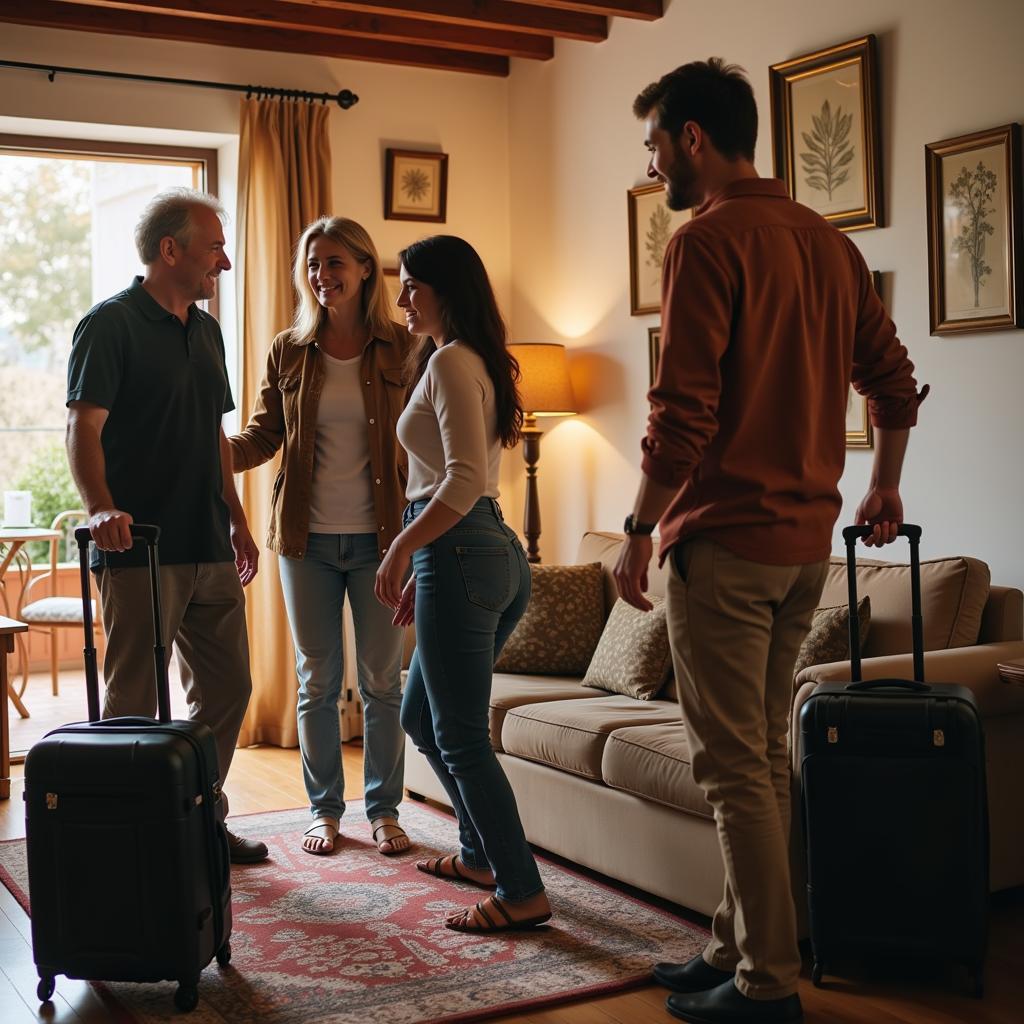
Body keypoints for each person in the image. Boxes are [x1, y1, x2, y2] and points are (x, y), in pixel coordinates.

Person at [613, 60, 927, 1024]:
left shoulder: (706, 239)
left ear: (694, 139)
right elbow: (895, 380)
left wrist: (636, 529)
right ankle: (730, 947)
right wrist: (881, 485)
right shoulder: (827, 244)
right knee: (757, 759)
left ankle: (767, 984)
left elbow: (683, 412)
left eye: (657, 141)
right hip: (805, 552)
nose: (654, 158)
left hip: (727, 546)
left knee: (732, 769)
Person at [66, 187, 268, 864]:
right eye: (215, 247)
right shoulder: (110, 325)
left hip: (209, 542)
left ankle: (192, 813)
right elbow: (82, 427)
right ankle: (130, 837)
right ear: (169, 249)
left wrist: (238, 519)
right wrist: (99, 508)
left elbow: (214, 436)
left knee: (229, 689)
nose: (226, 263)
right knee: (133, 702)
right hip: (139, 548)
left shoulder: (206, 331)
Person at [375, 235, 550, 934]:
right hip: (482, 549)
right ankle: (480, 854)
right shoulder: (465, 358)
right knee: (423, 718)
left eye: (412, 284)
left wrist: (402, 549)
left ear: (448, 288)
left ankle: (521, 889)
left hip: (458, 545)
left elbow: (462, 481)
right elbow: (466, 485)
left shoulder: (451, 361)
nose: (402, 298)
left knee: (460, 736)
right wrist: (425, 564)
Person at [228, 216, 414, 858]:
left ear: (366, 269)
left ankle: (385, 810)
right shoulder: (289, 348)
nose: (322, 275)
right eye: (312, 265)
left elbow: (428, 446)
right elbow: (263, 436)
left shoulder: (402, 347)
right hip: (305, 541)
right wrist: (206, 451)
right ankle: (324, 811)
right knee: (316, 680)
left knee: (382, 682)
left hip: (383, 542)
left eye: (335, 262)